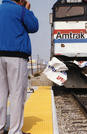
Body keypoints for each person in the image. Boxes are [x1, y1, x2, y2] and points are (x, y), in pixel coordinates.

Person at [0, 0, 39, 134]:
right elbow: (34, 26)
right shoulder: (20, 11)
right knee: (17, 95)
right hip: (16, 56)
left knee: (1, 94)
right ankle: (15, 131)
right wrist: (27, 10)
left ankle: (0, 127)